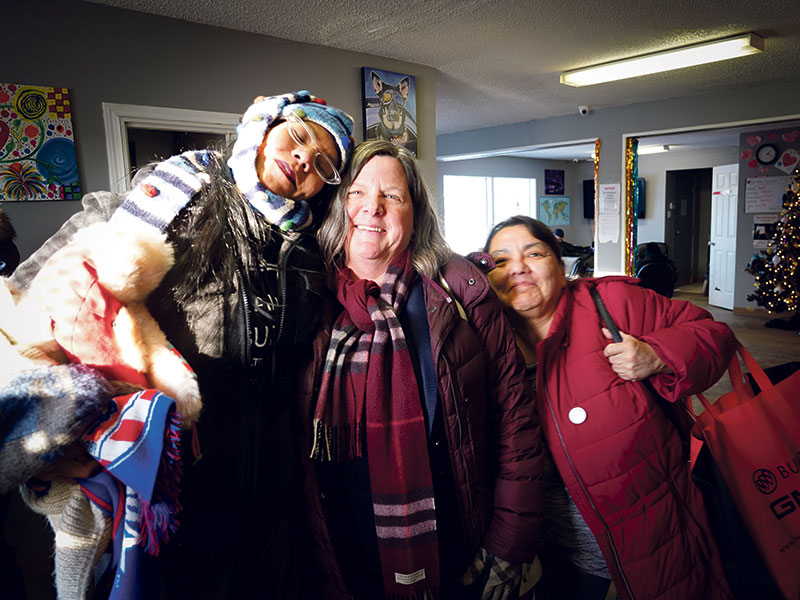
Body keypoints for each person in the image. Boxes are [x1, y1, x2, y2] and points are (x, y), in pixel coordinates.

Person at [9, 90, 354, 599]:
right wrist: (44, 441)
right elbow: (20, 305)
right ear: (265, 124)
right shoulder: (161, 201)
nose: (305, 157)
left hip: (273, 508)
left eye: (324, 162)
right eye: (299, 134)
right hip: (171, 498)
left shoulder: (312, 253)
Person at [298, 140, 544, 599]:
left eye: (392, 196)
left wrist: (511, 541)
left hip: (456, 552)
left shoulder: (460, 291)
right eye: (357, 192)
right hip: (340, 558)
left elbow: (515, 420)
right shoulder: (304, 295)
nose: (372, 207)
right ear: (337, 204)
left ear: (416, 215)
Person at [483, 215, 735, 600]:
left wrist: (656, 355)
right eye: (500, 260)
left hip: (648, 552)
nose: (517, 267)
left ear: (560, 266)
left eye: (533, 254)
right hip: (542, 561)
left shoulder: (611, 304)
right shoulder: (484, 342)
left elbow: (714, 334)